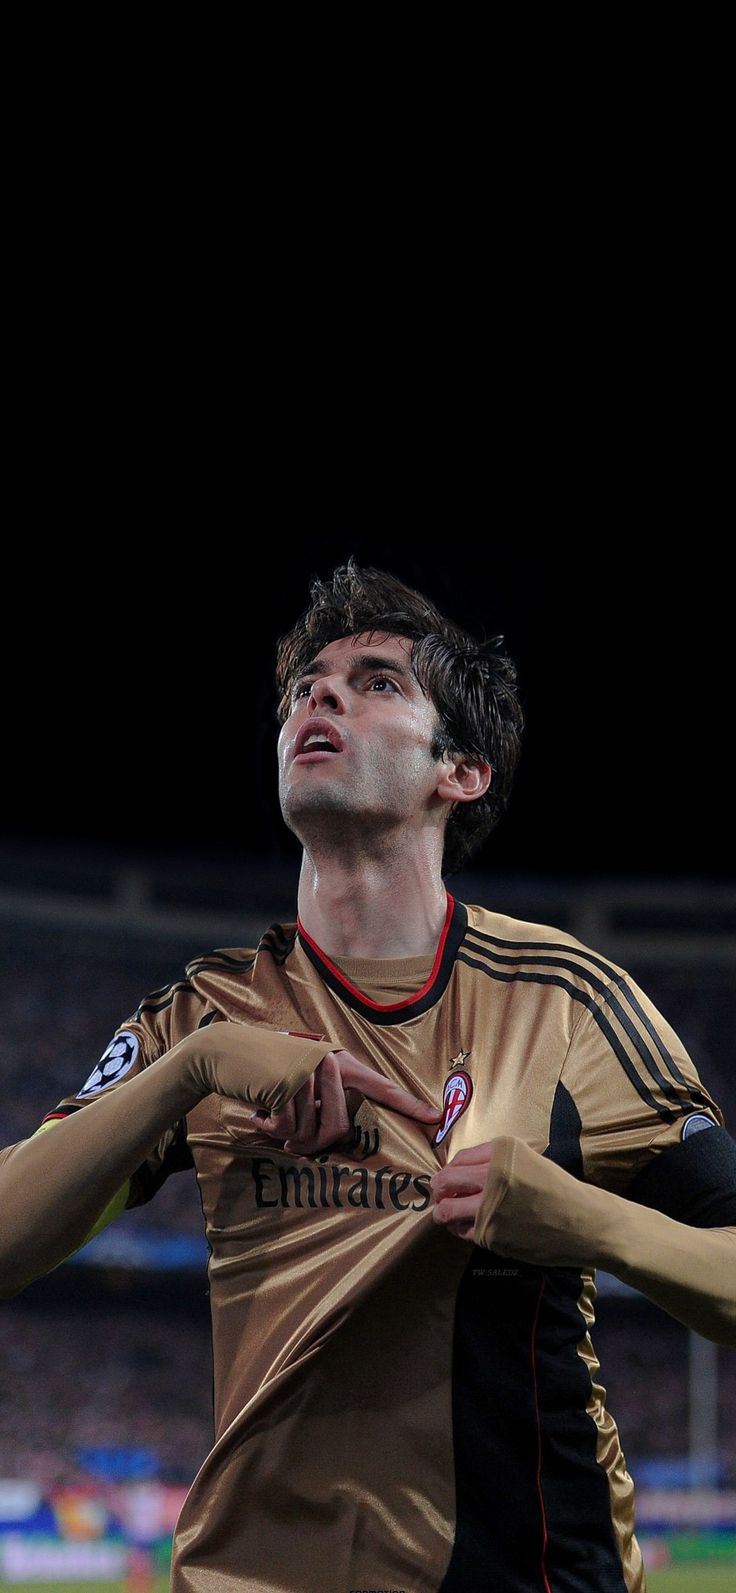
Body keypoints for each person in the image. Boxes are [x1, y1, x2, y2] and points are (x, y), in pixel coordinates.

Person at [1, 560, 734, 1593]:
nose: (319, 694)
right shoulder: (203, 1013)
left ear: (460, 771)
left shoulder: (564, 999)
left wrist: (589, 1223)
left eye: (377, 680)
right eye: (305, 685)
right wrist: (189, 1073)